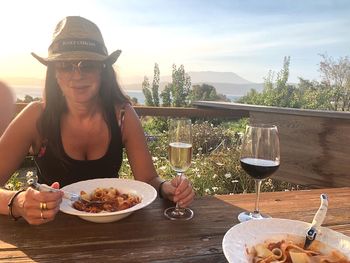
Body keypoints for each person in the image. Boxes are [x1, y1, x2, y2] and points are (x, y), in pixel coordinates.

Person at [0, 16, 194, 225]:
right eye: (65, 65)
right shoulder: (36, 116)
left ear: (103, 70)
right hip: (50, 233)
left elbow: (148, 180)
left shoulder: (123, 116)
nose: (77, 74)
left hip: (116, 235)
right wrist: (17, 201)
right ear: (54, 73)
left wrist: (167, 188)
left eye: (88, 64)